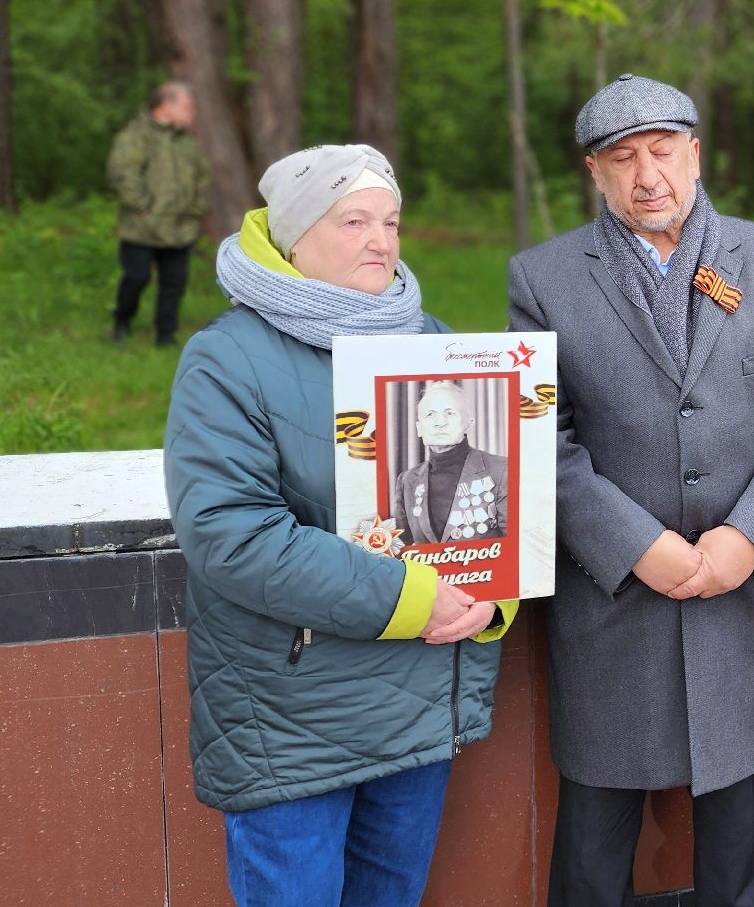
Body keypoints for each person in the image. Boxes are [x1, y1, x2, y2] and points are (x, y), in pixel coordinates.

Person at [507, 73, 754, 907]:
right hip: (613, 600)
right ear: (595, 172)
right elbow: (542, 439)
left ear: (695, 153)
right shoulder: (543, 278)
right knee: (592, 850)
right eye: (623, 158)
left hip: (740, 596)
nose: (647, 175)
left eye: (662, 151)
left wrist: (746, 536)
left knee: (737, 846)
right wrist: (637, 546)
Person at [164, 144, 514, 907]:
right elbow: (232, 536)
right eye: (354, 221)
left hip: (416, 707)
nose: (381, 241)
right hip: (292, 718)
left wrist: (495, 591)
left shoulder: (432, 340)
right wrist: (414, 598)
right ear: (294, 237)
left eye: (391, 222)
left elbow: (494, 506)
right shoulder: (227, 359)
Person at [109, 80, 209, 346]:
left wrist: (196, 210)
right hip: (141, 226)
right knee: (136, 277)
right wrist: (142, 207)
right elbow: (123, 173)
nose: (192, 112)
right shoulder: (136, 136)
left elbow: (202, 177)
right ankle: (121, 322)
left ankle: (166, 335)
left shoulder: (187, 143)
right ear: (166, 105)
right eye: (187, 107)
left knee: (174, 282)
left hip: (179, 226)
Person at [392, 380, 509, 544]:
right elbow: (401, 547)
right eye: (430, 414)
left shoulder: (503, 470)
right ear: (419, 428)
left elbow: (516, 546)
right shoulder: (407, 480)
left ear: (468, 424)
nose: (440, 423)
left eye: (450, 413)